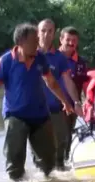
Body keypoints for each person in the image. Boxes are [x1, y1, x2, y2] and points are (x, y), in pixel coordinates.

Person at [0, 23, 73, 182]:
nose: (38, 43)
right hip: (16, 115)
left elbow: (51, 82)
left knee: (48, 165)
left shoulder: (40, 58)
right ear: (21, 42)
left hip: (40, 115)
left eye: (37, 39)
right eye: (34, 40)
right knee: (14, 165)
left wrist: (65, 102)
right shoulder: (6, 61)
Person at [37, 19, 83, 171]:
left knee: (62, 141)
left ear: (54, 34)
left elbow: (68, 81)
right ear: (38, 33)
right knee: (40, 147)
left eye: (50, 31)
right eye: (43, 30)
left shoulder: (59, 58)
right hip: (35, 109)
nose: (46, 34)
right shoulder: (29, 53)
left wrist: (76, 102)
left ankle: (59, 176)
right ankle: (42, 173)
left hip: (56, 107)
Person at [58, 26, 89, 160]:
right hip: (53, 105)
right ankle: (55, 166)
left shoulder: (81, 62)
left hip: (73, 106)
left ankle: (63, 165)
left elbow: (86, 85)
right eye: (68, 39)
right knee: (57, 136)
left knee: (68, 136)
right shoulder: (51, 57)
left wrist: (89, 103)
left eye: (74, 40)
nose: (71, 43)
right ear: (61, 40)